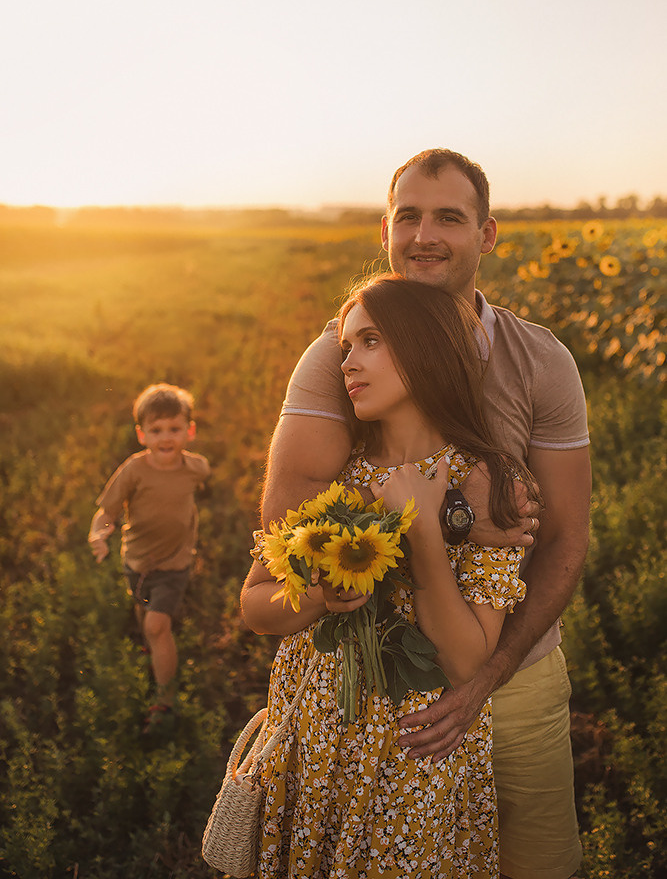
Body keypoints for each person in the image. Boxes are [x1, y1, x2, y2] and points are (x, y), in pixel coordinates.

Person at [260, 149, 591, 879]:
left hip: (518, 666)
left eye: (448, 217)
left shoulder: (540, 361)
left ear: (487, 234)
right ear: (384, 230)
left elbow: (565, 536)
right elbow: (288, 525)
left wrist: (487, 675)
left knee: (536, 861)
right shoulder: (336, 355)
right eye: (407, 216)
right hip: (380, 687)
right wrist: (447, 522)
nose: (423, 236)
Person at [242, 274, 536, 877]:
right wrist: (322, 596)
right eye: (347, 346)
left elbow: (465, 660)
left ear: (427, 348)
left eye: (370, 341)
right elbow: (253, 605)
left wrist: (424, 532)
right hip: (315, 746)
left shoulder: (486, 486)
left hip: (412, 757)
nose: (347, 362)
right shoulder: (336, 476)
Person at [88, 382, 210, 732]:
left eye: (174, 429)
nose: (166, 438)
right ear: (141, 434)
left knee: (157, 625)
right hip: (137, 560)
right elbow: (107, 511)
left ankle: (165, 699)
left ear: (189, 431)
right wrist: (98, 533)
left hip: (175, 564)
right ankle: (150, 645)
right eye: (156, 430)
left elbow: (203, 477)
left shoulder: (195, 467)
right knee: (142, 609)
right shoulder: (134, 470)